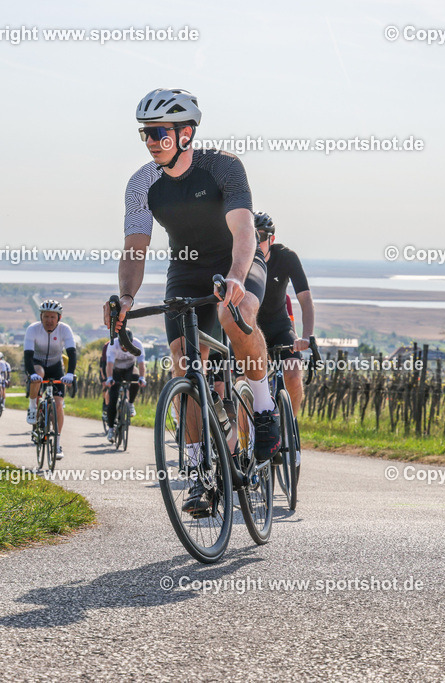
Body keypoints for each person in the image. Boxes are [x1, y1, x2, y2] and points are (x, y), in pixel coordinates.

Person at [108, 88, 280, 516]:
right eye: (145, 134)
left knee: (235, 312)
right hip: (186, 270)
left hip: (237, 260)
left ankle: (263, 408)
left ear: (186, 133)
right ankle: (198, 471)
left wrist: (236, 277)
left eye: (159, 133)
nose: (151, 141)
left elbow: (244, 230)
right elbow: (135, 248)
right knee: (184, 364)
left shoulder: (222, 166)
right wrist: (126, 297)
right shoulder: (142, 184)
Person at [254, 211, 315, 414]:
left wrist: (306, 336)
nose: (256, 243)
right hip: (249, 330)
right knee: (243, 383)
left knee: (294, 376)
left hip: (279, 328)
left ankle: (290, 426)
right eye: (251, 237)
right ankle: (249, 431)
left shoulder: (286, 257)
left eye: (261, 237)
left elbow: (305, 299)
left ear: (271, 239)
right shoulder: (240, 260)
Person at [24, 300, 76, 460]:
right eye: (46, 316)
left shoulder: (65, 329)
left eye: (53, 317)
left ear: (59, 318)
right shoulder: (33, 329)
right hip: (37, 364)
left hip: (55, 366)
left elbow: (72, 353)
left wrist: (70, 373)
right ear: (41, 316)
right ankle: (33, 407)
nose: (49, 320)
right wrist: (31, 373)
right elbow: (27, 355)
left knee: (58, 405)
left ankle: (57, 444)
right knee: (39, 373)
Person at [104, 334, 147, 442]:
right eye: (123, 347)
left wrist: (142, 378)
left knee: (136, 378)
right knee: (113, 398)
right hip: (116, 370)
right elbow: (109, 364)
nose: (125, 349)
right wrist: (109, 378)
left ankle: (130, 403)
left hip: (130, 369)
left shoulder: (137, 344)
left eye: (127, 346)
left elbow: (141, 363)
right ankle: (111, 429)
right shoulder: (113, 345)